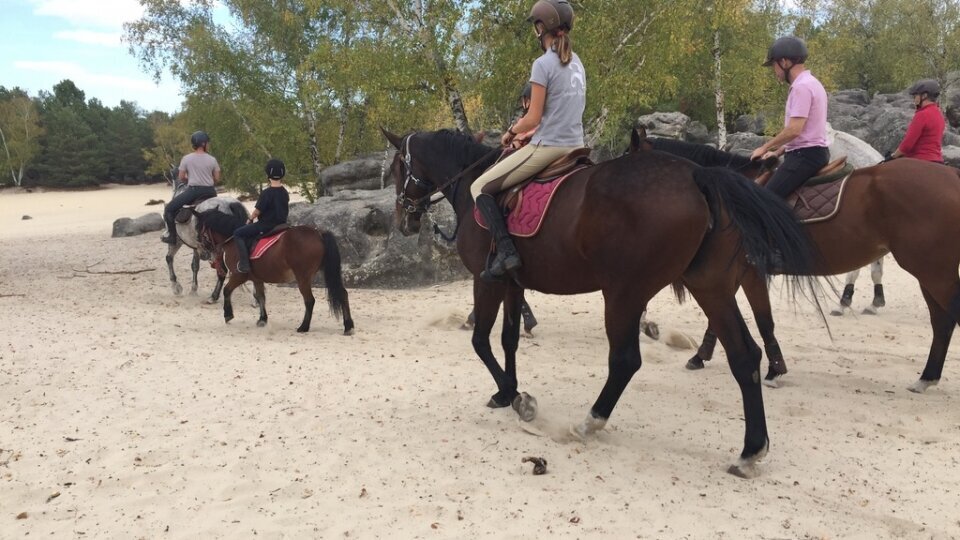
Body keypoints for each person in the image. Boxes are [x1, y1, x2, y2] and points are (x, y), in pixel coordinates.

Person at [470, 0, 586, 281]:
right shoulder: (577, 62)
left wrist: (511, 133)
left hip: (549, 147)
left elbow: (533, 118)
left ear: (540, 28)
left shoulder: (542, 64)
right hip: (577, 144)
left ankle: (507, 252)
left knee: (480, 186)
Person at [750, 36, 829, 199]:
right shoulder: (811, 82)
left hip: (804, 157)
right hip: (810, 153)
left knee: (764, 201)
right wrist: (777, 153)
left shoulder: (801, 87)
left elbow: (794, 130)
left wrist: (765, 148)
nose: (775, 71)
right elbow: (805, 134)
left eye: (774, 65)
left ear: (785, 62)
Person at [162, 131, 221, 243]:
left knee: (169, 209)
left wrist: (190, 179)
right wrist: (207, 179)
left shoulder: (186, 158)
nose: (208, 145)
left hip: (194, 191)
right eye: (207, 143)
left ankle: (172, 236)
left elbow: (181, 177)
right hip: (211, 192)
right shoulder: (212, 159)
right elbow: (217, 178)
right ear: (203, 144)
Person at [232, 159, 290, 274]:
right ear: (283, 174)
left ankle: (244, 264)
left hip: (266, 225)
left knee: (238, 233)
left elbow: (257, 212)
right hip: (282, 224)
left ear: (268, 174)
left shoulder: (267, 193)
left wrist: (250, 219)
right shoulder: (284, 192)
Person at [889, 79, 946, 163]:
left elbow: (907, 145)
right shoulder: (939, 114)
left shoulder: (922, 114)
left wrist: (892, 156)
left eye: (915, 96)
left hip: (920, 159)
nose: (914, 99)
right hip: (938, 160)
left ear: (924, 96)